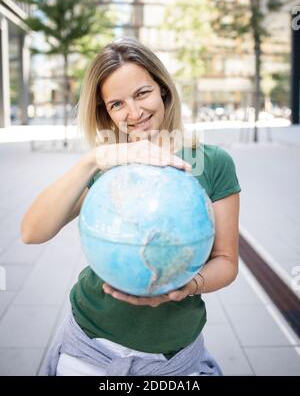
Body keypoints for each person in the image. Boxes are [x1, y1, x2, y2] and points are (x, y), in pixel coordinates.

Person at [21, 38, 241, 376]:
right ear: (105, 113)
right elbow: (31, 232)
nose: (134, 113)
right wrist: (94, 159)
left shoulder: (211, 162)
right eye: (116, 104)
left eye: (142, 94)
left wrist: (186, 287)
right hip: (90, 347)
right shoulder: (108, 165)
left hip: (175, 357)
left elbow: (226, 261)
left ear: (163, 90)